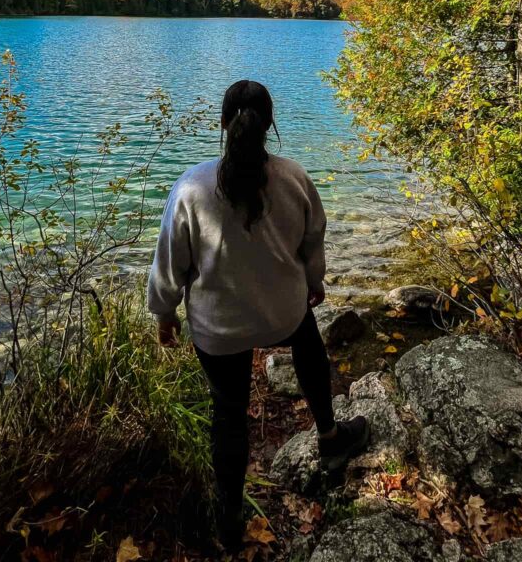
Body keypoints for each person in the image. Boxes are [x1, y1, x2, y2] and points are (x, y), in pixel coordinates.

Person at [147, 79, 369, 551]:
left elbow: (171, 261)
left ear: (223, 124)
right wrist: (314, 282)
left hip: (219, 328)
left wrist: (164, 313)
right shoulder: (294, 178)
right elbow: (313, 241)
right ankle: (330, 437)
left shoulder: (191, 187)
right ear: (270, 125)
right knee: (308, 344)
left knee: (228, 414)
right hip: (283, 313)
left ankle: (229, 519)